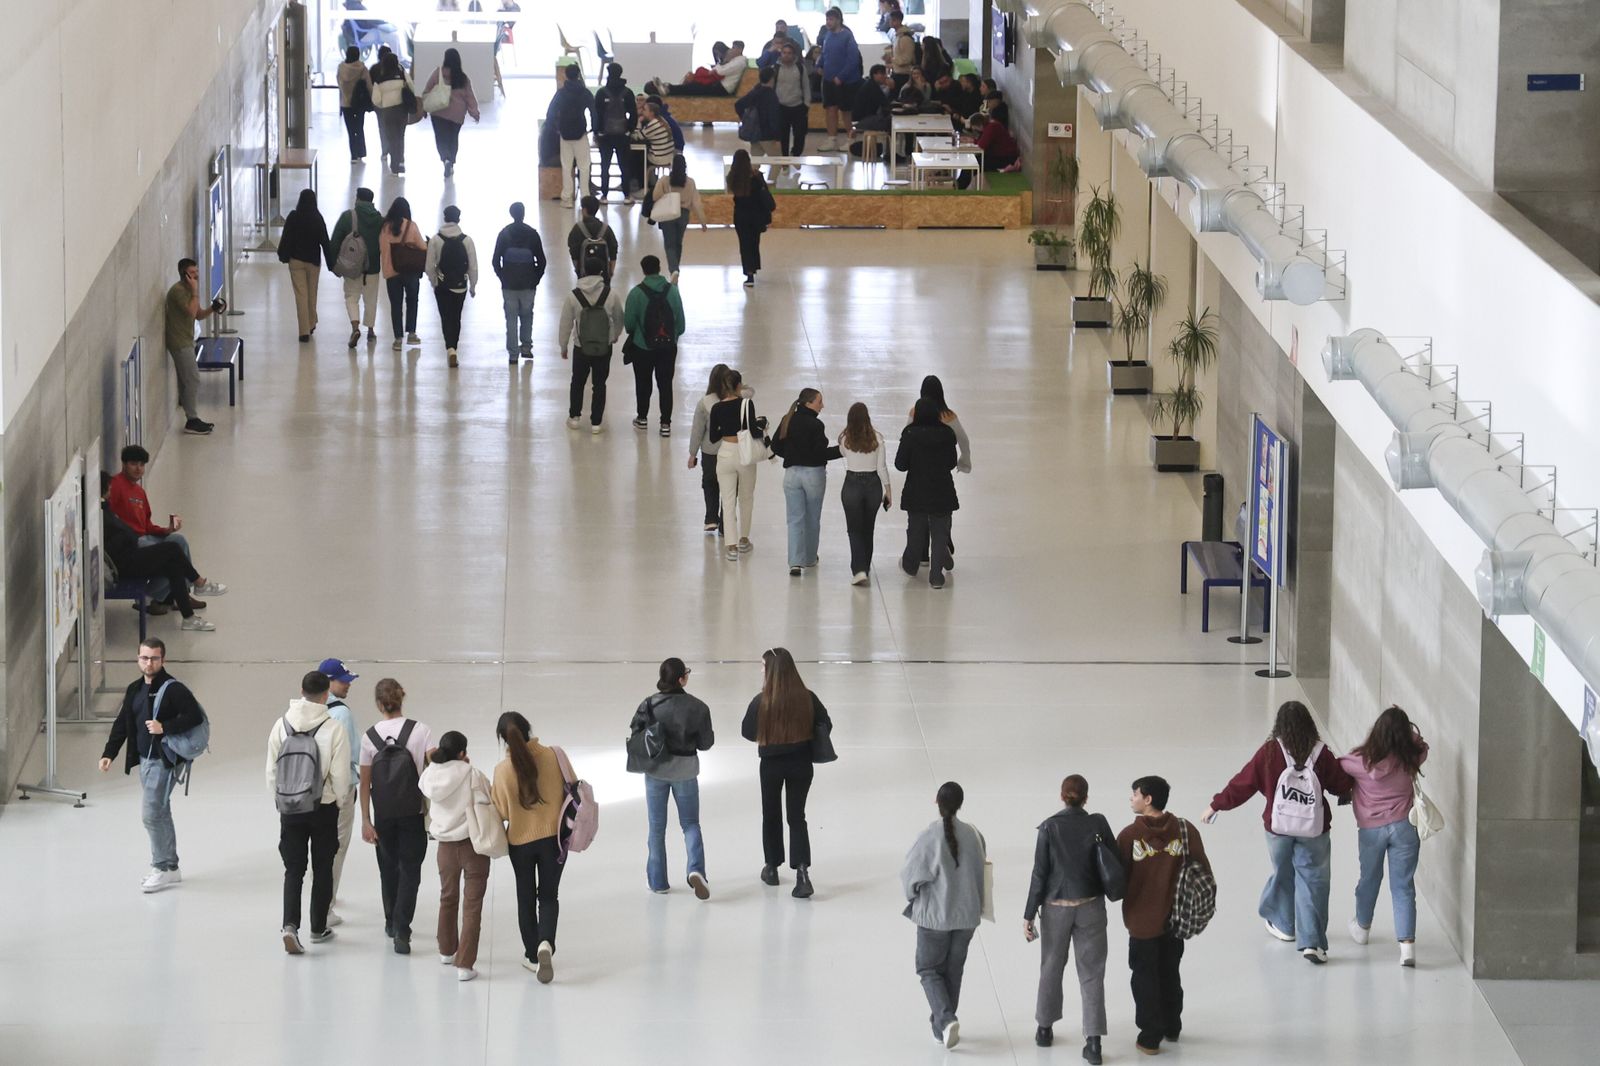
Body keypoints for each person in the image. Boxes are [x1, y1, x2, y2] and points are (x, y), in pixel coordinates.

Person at [1202, 700, 1354, 964]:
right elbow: (1339, 783)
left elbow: (1244, 783)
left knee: (1283, 873)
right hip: (1314, 829)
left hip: (1278, 828)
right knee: (1313, 881)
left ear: (1279, 725)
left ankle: (1284, 926)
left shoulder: (1270, 752)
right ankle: (1313, 943)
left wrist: (1216, 805)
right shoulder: (1321, 753)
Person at [98, 638, 205, 892]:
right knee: (160, 811)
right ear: (138, 659)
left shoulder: (173, 689)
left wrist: (164, 727)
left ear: (163, 660)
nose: (149, 662)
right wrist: (109, 753)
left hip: (163, 760)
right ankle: (171, 868)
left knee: (150, 814)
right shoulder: (134, 689)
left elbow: (194, 716)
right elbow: (123, 722)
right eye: (145, 658)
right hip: (146, 760)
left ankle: (161, 867)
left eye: (155, 658)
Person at [1024, 775, 1119, 1062]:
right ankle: (1093, 1043)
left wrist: (1029, 914)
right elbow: (1113, 860)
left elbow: (1039, 874)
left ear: (1062, 796)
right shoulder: (1098, 823)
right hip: (1091, 905)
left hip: (1055, 908)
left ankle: (1044, 1028)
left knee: (1051, 966)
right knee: (1092, 972)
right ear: (1086, 798)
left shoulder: (1049, 827)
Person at [1119, 776, 1209, 1056]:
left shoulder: (1128, 836)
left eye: (1135, 794)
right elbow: (1202, 870)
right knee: (1170, 972)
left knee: (1144, 977)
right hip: (1176, 919)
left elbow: (1118, 880)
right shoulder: (1185, 830)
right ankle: (1172, 1025)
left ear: (1148, 799)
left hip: (1141, 920)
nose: (1131, 798)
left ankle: (1149, 1036)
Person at [266, 670, 353, 955]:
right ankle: (318, 927)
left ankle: (290, 925)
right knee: (323, 867)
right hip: (322, 807)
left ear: (300, 691)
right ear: (326, 694)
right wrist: (339, 801)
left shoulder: (281, 725)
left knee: (294, 869)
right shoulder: (333, 728)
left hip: (290, 807)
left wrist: (282, 801)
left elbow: (272, 770)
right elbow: (341, 776)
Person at [1339, 706, 1429, 967]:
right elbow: (1423, 745)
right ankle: (1407, 948)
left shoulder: (1360, 761)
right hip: (1404, 826)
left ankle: (1362, 927)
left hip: (1371, 830)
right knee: (1403, 886)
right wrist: (1410, 734)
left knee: (1369, 878)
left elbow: (1337, 765)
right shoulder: (1412, 757)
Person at [902, 781, 986, 1050]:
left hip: (935, 917)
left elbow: (910, 877)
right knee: (953, 970)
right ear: (960, 804)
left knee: (928, 969)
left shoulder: (929, 836)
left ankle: (947, 1019)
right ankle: (942, 1028)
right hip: (967, 916)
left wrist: (913, 897)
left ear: (936, 801)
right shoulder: (975, 834)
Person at [741, 648, 831, 898]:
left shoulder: (762, 700)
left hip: (771, 765)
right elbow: (826, 724)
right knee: (797, 816)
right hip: (801, 764)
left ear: (771, 671)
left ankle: (771, 867)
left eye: (763, 666)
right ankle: (802, 873)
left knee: (771, 814)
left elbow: (747, 732)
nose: (761, 670)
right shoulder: (808, 697)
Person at [359, 677, 435, 955]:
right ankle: (403, 929)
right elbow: (435, 761)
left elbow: (365, 782)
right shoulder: (421, 731)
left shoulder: (370, 737)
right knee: (411, 870)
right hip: (412, 812)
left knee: (388, 868)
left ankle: (391, 921)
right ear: (402, 697)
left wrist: (366, 820)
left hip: (384, 814)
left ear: (379, 704)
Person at [491, 711, 568, 982]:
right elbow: (569, 791)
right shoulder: (553, 755)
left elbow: (499, 811)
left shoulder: (502, 771)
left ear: (504, 739)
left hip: (520, 843)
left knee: (525, 897)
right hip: (553, 839)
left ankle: (532, 955)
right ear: (528, 729)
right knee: (548, 895)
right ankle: (546, 941)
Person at [628, 658, 715, 897]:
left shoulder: (649, 704)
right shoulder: (698, 707)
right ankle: (696, 869)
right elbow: (707, 743)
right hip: (686, 771)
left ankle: (658, 881)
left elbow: (637, 735)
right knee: (690, 824)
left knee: (656, 828)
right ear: (681, 679)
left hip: (656, 771)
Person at [105, 445, 227, 612]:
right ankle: (172, 594)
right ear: (124, 464)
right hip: (131, 543)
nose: (138, 468)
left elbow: (146, 525)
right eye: (134, 464)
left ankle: (174, 596)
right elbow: (110, 518)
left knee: (179, 540)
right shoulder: (116, 485)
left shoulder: (139, 492)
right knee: (172, 555)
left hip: (145, 537)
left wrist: (166, 530)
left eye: (141, 464)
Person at [419, 730, 494, 981]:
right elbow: (488, 797)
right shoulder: (471, 773)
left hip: (444, 848)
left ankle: (446, 950)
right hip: (473, 845)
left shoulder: (430, 775)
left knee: (447, 897)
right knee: (472, 906)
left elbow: (425, 790)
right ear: (463, 753)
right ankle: (465, 964)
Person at [101, 493, 214, 631]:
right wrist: (129, 537)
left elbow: (140, 526)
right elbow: (115, 543)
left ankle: (188, 617)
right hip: (124, 563)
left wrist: (163, 531)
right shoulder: (101, 516)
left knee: (174, 564)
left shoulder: (108, 510)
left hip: (131, 551)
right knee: (172, 548)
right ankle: (197, 582)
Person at [771, 388, 841, 577]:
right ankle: (810, 558)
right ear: (809, 403)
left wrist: (792, 455)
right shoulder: (816, 425)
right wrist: (841, 451)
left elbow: (775, 445)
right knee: (812, 517)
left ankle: (795, 562)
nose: (822, 406)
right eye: (820, 402)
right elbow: (819, 453)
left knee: (794, 519)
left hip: (791, 475)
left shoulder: (787, 419)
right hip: (813, 476)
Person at [896, 398, 959, 589]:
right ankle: (936, 576)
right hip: (942, 490)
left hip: (917, 490)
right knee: (940, 532)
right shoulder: (947, 433)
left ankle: (910, 565)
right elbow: (951, 463)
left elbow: (900, 464)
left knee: (916, 530)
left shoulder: (909, 434)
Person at [558, 258, 625, 433]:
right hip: (604, 347)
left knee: (578, 381)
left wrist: (563, 346)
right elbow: (619, 318)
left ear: (584, 271)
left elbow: (565, 323)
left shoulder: (574, 295)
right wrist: (614, 335)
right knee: (599, 383)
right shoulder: (611, 294)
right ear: (602, 272)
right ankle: (596, 422)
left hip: (581, 347)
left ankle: (574, 417)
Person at [318, 658, 361, 926]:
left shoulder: (308, 708)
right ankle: (325, 905)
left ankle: (320, 892)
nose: (347, 685)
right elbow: (351, 753)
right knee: (337, 846)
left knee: (320, 845)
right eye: (342, 681)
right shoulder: (341, 713)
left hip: (313, 789)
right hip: (340, 790)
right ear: (329, 682)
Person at [623, 255, 686, 435]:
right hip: (667, 348)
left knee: (643, 383)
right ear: (659, 268)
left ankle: (642, 418)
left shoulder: (636, 293)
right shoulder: (672, 291)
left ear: (643, 270)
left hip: (642, 348)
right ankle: (665, 424)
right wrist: (672, 337)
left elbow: (629, 324)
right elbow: (680, 324)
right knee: (665, 384)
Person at [913, 375, 970, 564]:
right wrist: (964, 462)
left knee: (920, 509)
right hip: (942, 470)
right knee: (944, 506)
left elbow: (906, 435)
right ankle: (945, 538)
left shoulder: (916, 412)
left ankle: (922, 554)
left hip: (920, 470)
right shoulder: (949, 415)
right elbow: (964, 439)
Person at [707, 368, 762, 559]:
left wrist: (724, 427)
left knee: (727, 500)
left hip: (725, 453)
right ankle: (744, 539)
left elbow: (713, 437)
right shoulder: (747, 404)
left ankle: (730, 546)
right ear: (739, 386)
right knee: (746, 497)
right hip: (744, 454)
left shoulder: (716, 408)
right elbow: (754, 432)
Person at [163, 258, 220, 435]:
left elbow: (198, 315)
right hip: (179, 341)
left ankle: (190, 412)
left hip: (187, 339)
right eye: (193, 273)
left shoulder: (189, 290)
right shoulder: (179, 291)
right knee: (193, 378)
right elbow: (190, 311)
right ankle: (192, 419)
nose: (196, 275)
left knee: (186, 379)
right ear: (184, 274)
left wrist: (213, 308)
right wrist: (195, 292)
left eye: (197, 272)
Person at [838, 403, 891, 585]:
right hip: (873, 486)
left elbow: (843, 453)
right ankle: (865, 567)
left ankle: (858, 569)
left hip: (851, 484)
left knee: (854, 529)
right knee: (868, 529)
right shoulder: (877, 438)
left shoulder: (845, 438)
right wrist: (888, 490)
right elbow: (882, 467)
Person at [328, 187, 385, 348]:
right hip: (372, 267)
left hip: (352, 267)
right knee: (371, 299)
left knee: (351, 297)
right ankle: (371, 330)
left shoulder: (348, 216)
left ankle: (355, 327)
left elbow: (335, 240)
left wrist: (334, 264)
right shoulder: (379, 219)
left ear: (358, 199)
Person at [492, 202, 547, 362]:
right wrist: (535, 278)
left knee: (510, 319)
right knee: (527, 315)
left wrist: (502, 276)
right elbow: (542, 261)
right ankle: (526, 347)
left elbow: (495, 260)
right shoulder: (532, 234)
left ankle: (513, 354)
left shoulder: (504, 234)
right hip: (528, 282)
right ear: (523, 214)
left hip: (509, 283)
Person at [425, 205, 478, 368]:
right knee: (456, 318)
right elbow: (473, 266)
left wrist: (434, 281)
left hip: (442, 286)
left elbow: (429, 266)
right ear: (459, 219)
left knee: (445, 317)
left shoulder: (435, 239)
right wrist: (472, 285)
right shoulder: (467, 240)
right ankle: (454, 346)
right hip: (460, 286)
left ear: (444, 218)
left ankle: (450, 348)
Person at [277, 189, 329, 342]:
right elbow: (325, 242)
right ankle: (311, 322)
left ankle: (303, 331)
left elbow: (286, 238)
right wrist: (332, 264)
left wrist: (283, 255)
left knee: (301, 296)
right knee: (312, 295)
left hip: (296, 261)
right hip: (313, 262)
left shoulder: (293, 217)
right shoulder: (317, 218)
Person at [688, 364, 733, 535]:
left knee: (710, 483)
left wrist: (692, 454)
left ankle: (711, 518)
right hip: (731, 450)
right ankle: (726, 524)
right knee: (729, 487)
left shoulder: (704, 403)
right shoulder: (737, 400)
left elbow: (697, 430)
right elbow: (750, 391)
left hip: (710, 452)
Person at [378, 196, 427, 350]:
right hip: (410, 271)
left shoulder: (385, 228)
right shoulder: (411, 226)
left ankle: (398, 339)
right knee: (412, 301)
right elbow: (423, 247)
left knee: (396, 305)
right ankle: (411, 334)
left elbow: (382, 249)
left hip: (392, 272)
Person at [423, 47, 481, 177]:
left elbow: (427, 90)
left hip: (438, 112)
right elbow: (469, 97)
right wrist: (474, 112)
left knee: (441, 138)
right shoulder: (463, 78)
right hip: (457, 115)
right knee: (453, 139)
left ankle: (445, 159)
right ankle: (451, 160)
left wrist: (424, 108)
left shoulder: (438, 73)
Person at [648, 153, 707, 280]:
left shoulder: (664, 181)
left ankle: (674, 270)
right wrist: (703, 221)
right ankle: (675, 269)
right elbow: (696, 202)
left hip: (668, 213)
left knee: (669, 244)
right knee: (678, 243)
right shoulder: (690, 182)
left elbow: (655, 196)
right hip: (683, 215)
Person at [546, 64, 596, 206]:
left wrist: (556, 128)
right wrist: (594, 128)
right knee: (584, 165)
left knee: (567, 165)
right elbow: (593, 111)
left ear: (566, 76)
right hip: (581, 132)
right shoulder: (585, 92)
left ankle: (567, 198)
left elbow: (550, 113)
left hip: (565, 133)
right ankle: (585, 197)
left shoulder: (561, 93)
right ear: (579, 75)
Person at [727, 150, 775, 288]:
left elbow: (732, 191)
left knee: (744, 244)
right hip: (756, 216)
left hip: (741, 216)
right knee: (754, 243)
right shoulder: (757, 177)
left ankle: (749, 273)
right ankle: (753, 267)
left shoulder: (732, 178)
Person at [594, 63, 640, 198]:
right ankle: (626, 195)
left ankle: (604, 195)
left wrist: (598, 131)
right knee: (624, 166)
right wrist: (629, 130)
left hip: (605, 136)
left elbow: (597, 114)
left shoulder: (601, 93)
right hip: (623, 135)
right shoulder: (628, 93)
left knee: (605, 166)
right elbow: (633, 114)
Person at [819, 7, 862, 150]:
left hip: (845, 81)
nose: (828, 22)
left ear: (838, 20)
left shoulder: (847, 36)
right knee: (830, 109)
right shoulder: (827, 36)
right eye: (827, 19)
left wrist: (841, 76)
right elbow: (824, 53)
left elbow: (853, 59)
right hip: (828, 79)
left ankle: (850, 139)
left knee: (846, 111)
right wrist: (819, 65)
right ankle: (832, 139)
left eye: (831, 19)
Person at [370, 50, 413, 174]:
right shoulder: (402, 74)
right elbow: (411, 86)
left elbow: (376, 99)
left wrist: (382, 105)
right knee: (400, 136)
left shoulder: (380, 80)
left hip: (387, 111)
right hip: (402, 110)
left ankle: (394, 165)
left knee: (392, 137)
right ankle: (401, 161)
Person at [958, 104, 1020, 188]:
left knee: (973, 164)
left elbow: (982, 145)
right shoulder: (991, 125)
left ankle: (960, 186)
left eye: (975, 128)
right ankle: (960, 185)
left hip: (1006, 158)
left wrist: (973, 142)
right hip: (1000, 155)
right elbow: (984, 141)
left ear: (978, 125)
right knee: (973, 163)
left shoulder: (991, 127)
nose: (976, 131)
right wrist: (973, 141)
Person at [656, 40, 748, 96]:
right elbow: (721, 69)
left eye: (734, 48)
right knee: (694, 85)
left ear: (740, 49)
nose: (731, 50)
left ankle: (669, 89)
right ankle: (668, 88)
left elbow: (721, 71)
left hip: (722, 88)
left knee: (694, 87)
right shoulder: (735, 60)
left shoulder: (740, 62)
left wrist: (717, 68)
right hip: (719, 85)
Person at [771, 40, 813, 155]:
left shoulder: (800, 68)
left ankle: (796, 155)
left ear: (793, 55)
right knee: (783, 135)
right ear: (781, 54)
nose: (786, 55)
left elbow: (806, 86)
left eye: (789, 53)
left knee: (800, 134)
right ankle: (784, 159)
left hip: (798, 106)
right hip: (781, 107)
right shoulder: (775, 68)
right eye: (784, 52)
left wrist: (806, 104)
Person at [636, 101, 678, 208]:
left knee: (639, 158)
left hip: (659, 158)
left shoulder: (652, 125)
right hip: (669, 156)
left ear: (651, 113)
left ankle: (643, 187)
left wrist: (638, 121)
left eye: (644, 110)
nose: (642, 112)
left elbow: (638, 136)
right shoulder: (662, 121)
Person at [735, 65, 783, 158]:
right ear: (772, 79)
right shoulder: (771, 95)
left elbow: (738, 104)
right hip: (767, 135)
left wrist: (745, 118)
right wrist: (777, 137)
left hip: (754, 133)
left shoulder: (755, 92)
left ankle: (750, 173)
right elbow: (773, 117)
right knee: (777, 162)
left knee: (755, 162)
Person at [567, 196, 618, 280]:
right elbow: (613, 251)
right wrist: (610, 272)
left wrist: (578, 270)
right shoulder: (606, 228)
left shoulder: (577, 229)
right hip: (603, 274)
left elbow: (573, 252)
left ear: (584, 210)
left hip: (584, 275)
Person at [336, 45, 373, 161]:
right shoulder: (362, 68)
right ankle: (361, 152)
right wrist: (373, 100)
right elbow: (369, 86)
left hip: (346, 103)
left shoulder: (341, 68)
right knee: (359, 127)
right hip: (359, 103)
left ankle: (353, 155)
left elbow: (339, 83)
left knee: (350, 130)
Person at [852, 64, 894, 146]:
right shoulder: (872, 87)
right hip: (864, 120)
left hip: (864, 117)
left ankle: (889, 151)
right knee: (891, 123)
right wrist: (890, 88)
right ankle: (890, 152)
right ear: (875, 74)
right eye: (883, 74)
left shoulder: (871, 84)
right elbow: (885, 103)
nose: (885, 76)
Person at [886, 12, 916, 90]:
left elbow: (906, 59)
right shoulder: (897, 36)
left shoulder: (905, 38)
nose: (890, 22)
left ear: (899, 21)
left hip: (903, 75)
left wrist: (892, 60)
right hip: (896, 72)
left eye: (892, 20)